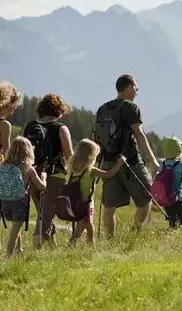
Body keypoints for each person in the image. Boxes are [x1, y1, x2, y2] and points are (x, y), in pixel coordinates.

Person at [93, 74, 160, 238]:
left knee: (109, 206)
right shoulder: (131, 107)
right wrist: (153, 161)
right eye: (136, 88)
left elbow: (97, 137)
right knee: (146, 198)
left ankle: (110, 241)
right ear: (128, 87)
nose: (137, 92)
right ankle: (133, 236)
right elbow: (139, 134)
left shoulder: (102, 109)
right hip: (130, 160)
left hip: (108, 162)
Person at [24, 93, 74, 249]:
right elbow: (69, 155)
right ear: (59, 110)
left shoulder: (30, 126)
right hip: (55, 175)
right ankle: (35, 252)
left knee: (43, 211)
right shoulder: (60, 128)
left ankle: (52, 247)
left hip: (33, 174)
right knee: (45, 217)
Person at [62, 139, 126, 247]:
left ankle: (89, 245)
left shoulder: (73, 168)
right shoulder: (91, 170)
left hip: (75, 203)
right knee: (85, 227)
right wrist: (119, 164)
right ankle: (82, 246)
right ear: (91, 157)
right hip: (86, 203)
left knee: (84, 226)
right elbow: (109, 174)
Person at [0, 136, 47, 257]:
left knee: (16, 226)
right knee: (14, 233)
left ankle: (18, 250)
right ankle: (7, 258)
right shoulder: (28, 169)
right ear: (28, 151)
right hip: (20, 203)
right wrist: (44, 177)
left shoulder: (3, 166)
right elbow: (42, 187)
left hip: (4, 202)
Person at [0, 82, 21, 161]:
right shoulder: (4, 125)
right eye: (16, 103)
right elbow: (6, 155)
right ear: (9, 103)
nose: (16, 106)